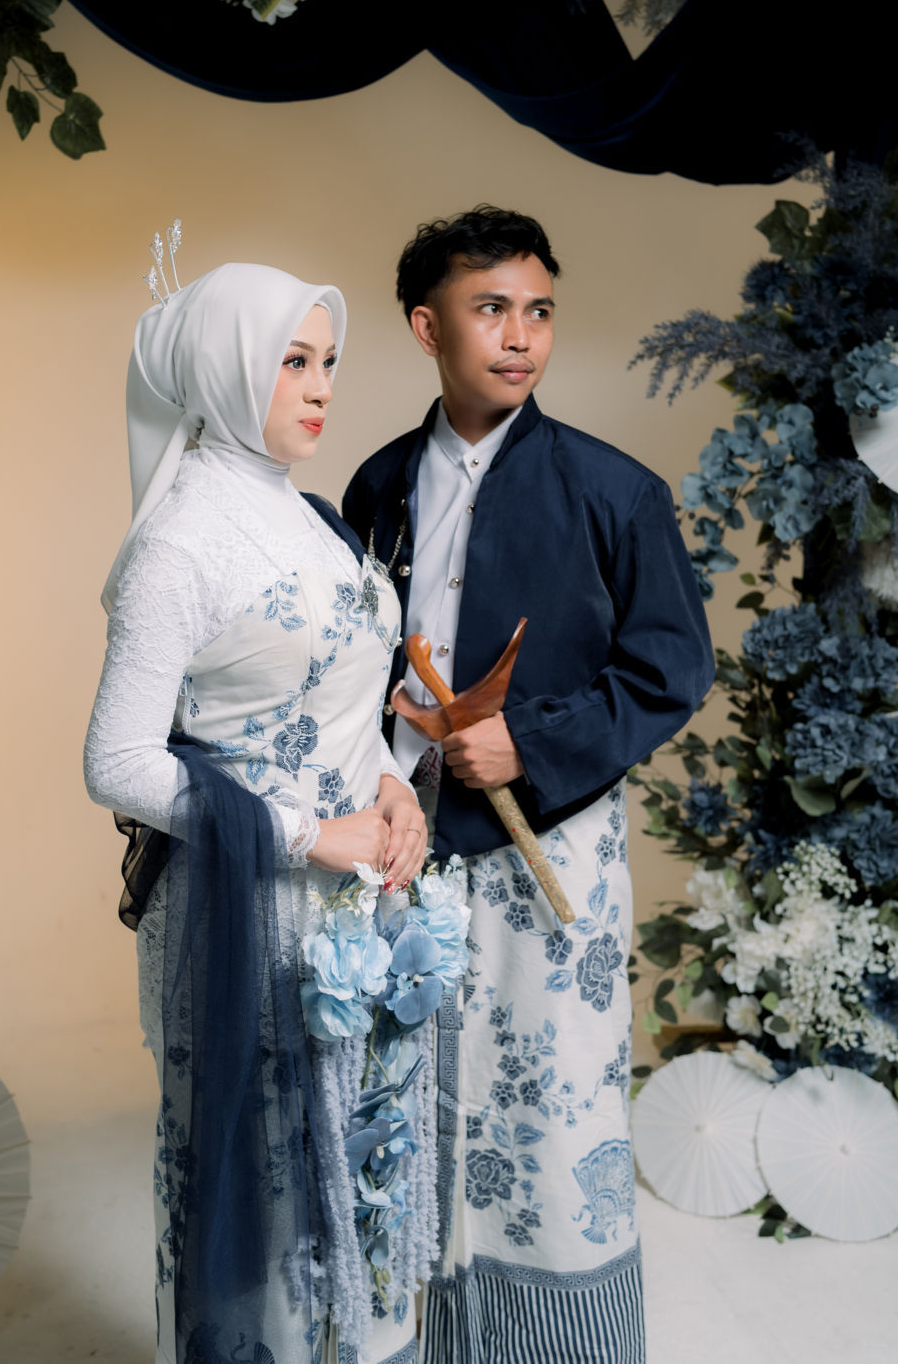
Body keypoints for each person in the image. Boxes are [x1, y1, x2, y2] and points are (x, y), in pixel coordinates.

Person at [342, 207, 715, 1364]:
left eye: (538, 311)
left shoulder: (614, 492)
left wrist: (532, 745)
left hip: (550, 850)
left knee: (548, 1113)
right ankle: (413, 1336)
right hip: (402, 845)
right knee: (400, 1093)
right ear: (427, 327)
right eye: (490, 309)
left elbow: (671, 670)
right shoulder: (378, 486)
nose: (519, 336)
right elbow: (349, 663)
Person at [84, 250, 434, 1364]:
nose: (322, 387)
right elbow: (116, 760)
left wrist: (392, 786)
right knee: (269, 1190)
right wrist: (308, 834)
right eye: (292, 362)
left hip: (359, 908)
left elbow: (346, 696)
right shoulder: (180, 543)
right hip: (249, 916)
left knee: (361, 1162)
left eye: (328, 361)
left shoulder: (312, 516)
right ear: (225, 368)